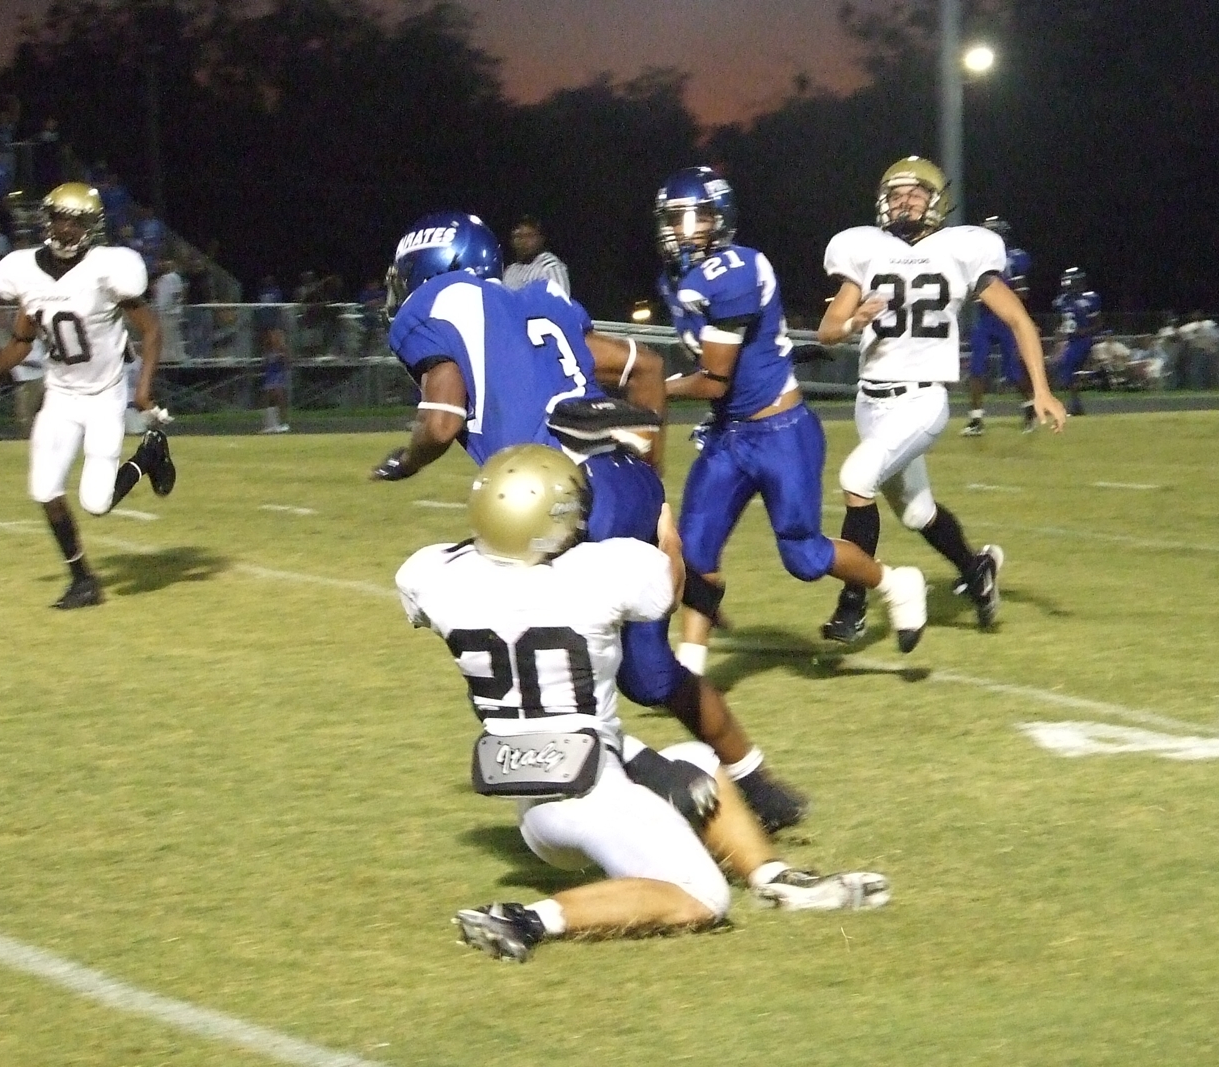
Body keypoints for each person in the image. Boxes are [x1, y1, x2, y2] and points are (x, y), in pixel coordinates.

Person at [371, 210, 809, 833]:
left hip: (557, 507)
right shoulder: (537, 300)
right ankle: (758, 784)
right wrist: (652, 486)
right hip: (622, 484)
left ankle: (645, 780)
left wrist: (406, 458)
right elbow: (645, 368)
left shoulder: (435, 305)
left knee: (533, 659)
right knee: (649, 676)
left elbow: (441, 421)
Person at [398, 444, 891, 963]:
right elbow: (666, 592)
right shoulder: (603, 570)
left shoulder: (430, 574)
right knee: (704, 898)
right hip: (591, 794)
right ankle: (525, 918)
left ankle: (774, 879)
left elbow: (456, 583)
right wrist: (668, 536)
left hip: (531, 791)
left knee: (697, 761)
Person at [653, 166, 930, 661]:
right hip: (728, 434)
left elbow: (714, 378)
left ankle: (895, 582)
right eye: (676, 219)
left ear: (721, 219)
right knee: (695, 553)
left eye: (697, 218)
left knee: (803, 556)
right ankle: (690, 674)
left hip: (780, 432)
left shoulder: (735, 271)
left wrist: (649, 388)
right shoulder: (674, 279)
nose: (684, 230)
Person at [817, 156, 1067, 640]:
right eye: (895, 195)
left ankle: (853, 605)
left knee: (855, 479)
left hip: (922, 399)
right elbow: (829, 330)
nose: (903, 203)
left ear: (936, 202)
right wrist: (852, 322)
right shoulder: (864, 248)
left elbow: (1019, 321)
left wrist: (1041, 389)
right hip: (871, 401)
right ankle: (977, 570)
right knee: (916, 512)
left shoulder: (962, 248)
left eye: (914, 194)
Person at [0, 182, 177, 609]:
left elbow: (151, 330)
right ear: (47, 220)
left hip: (104, 395)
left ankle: (148, 455)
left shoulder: (106, 269)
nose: (66, 229)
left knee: (96, 502)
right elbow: (22, 340)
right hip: (60, 395)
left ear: (91, 227)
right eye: (61, 219)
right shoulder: (25, 272)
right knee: (44, 490)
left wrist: (142, 391)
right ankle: (83, 581)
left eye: (76, 222)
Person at [961, 217, 1035, 435]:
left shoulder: (1013, 258)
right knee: (976, 367)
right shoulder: (978, 260)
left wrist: (997, 297)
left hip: (1006, 319)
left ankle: (1030, 408)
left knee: (1013, 371)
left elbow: (1023, 293)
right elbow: (971, 290)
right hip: (985, 320)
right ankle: (976, 419)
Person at [1051, 267, 1102, 414]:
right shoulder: (1061, 301)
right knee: (1064, 371)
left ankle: (1071, 405)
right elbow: (1059, 323)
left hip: (1083, 340)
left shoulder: (1089, 299)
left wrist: (1083, 332)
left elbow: (1098, 324)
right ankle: (1075, 406)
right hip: (1070, 341)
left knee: (1066, 368)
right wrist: (1059, 337)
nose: (1067, 283)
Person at [501, 215, 570, 294]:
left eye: (529, 235)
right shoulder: (510, 271)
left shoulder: (549, 267)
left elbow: (558, 301)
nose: (523, 241)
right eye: (518, 236)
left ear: (541, 239)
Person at [260, 325, 291, 433]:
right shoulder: (268, 348)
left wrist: (282, 358)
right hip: (270, 374)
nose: (274, 337)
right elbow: (265, 361)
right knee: (269, 399)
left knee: (279, 397)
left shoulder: (283, 348)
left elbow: (288, 363)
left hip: (279, 374)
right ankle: (271, 424)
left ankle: (283, 423)